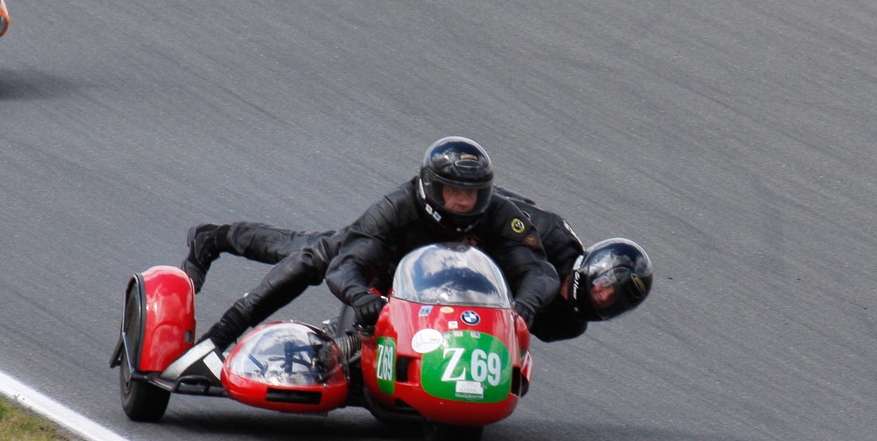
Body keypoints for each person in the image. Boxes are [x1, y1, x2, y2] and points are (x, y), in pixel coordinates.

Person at [163, 138, 561, 379]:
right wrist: (361, 297)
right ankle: (216, 333)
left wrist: (523, 307)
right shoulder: (396, 208)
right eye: (453, 192)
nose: (464, 202)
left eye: (472, 193)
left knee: (313, 246)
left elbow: (540, 272)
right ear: (431, 189)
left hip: (447, 294)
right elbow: (345, 269)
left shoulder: (501, 215)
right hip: (382, 276)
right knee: (311, 256)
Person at [180, 186, 652, 346]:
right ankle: (214, 238)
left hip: (469, 272)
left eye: (613, 302)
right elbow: (508, 234)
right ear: (589, 268)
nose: (602, 299)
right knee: (321, 251)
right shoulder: (547, 237)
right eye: (604, 287)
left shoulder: (569, 324)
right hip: (448, 226)